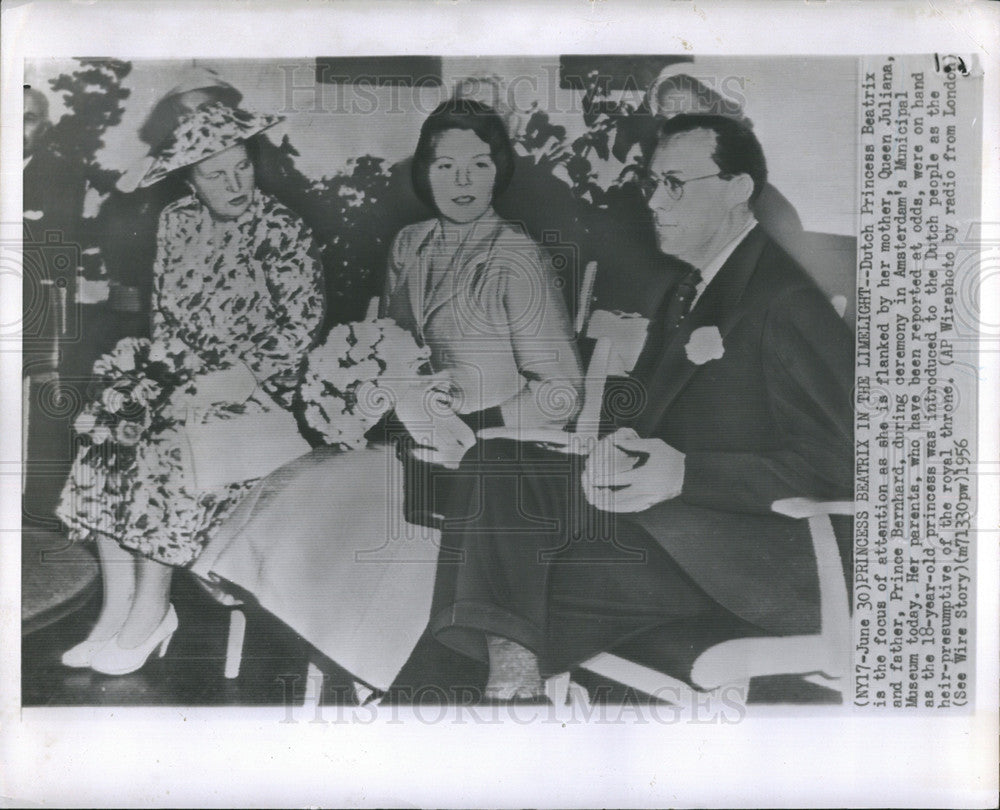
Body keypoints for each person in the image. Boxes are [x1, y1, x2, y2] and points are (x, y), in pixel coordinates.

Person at [429, 113, 855, 700]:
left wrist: (686, 473)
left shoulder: (787, 297)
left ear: (738, 189)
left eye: (675, 183)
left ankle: (506, 693)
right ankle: (512, 685)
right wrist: (620, 445)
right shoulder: (694, 285)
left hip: (755, 560)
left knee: (507, 581)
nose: (655, 200)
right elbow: (670, 421)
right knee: (495, 463)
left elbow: (851, 460)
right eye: (653, 183)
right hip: (672, 531)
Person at [191, 99, 583, 695]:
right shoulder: (410, 244)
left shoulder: (517, 257)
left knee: (328, 497)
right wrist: (360, 394)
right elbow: (390, 347)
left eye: (478, 166)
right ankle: (336, 659)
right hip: (405, 440)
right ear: (424, 171)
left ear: (499, 171)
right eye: (445, 166)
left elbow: (563, 394)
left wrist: (476, 419)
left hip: (480, 457)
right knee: (302, 480)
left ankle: (358, 670)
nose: (461, 182)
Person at [56, 102, 325, 674]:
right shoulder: (176, 220)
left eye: (242, 167)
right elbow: (164, 321)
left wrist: (226, 383)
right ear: (189, 180)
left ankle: (153, 608)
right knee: (109, 431)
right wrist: (153, 383)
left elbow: (299, 330)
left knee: (161, 445)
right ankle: (117, 608)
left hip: (259, 410)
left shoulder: (282, 229)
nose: (234, 183)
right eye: (214, 174)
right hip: (184, 388)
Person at [22, 86, 87, 522]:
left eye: (27, 117)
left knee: (40, 407)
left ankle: (35, 510)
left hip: (38, 307)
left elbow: (58, 246)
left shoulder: (61, 174)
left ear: (43, 128)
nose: (14, 126)